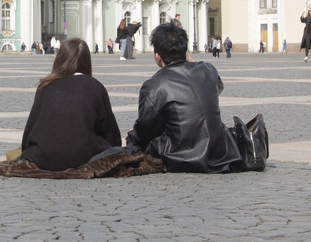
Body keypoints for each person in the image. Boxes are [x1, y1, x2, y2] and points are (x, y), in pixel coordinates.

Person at [126, 22, 242, 173]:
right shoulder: (208, 70)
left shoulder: (154, 85)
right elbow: (217, 87)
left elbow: (145, 131)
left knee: (135, 142)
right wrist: (189, 60)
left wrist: (131, 136)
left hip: (181, 155)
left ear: (157, 55)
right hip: (220, 151)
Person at [20, 38, 123, 171]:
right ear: (87, 61)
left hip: (45, 157)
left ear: (60, 59)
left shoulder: (46, 86)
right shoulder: (95, 86)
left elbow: (31, 127)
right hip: (87, 156)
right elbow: (110, 131)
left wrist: (28, 152)